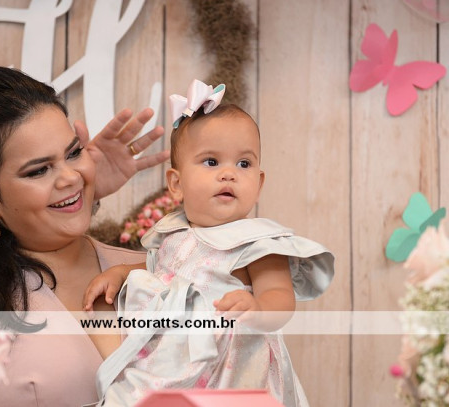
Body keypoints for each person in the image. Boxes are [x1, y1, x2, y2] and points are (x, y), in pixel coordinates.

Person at [83, 79, 335, 407]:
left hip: (230, 368)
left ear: (259, 184)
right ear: (176, 183)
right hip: (172, 359)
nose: (229, 174)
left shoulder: (257, 243)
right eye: (212, 162)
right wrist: (120, 273)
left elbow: (280, 296)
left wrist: (259, 310)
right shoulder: (173, 232)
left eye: (244, 164)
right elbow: (159, 269)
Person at [0, 66, 169, 407]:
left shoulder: (156, 268)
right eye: (39, 170)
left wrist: (78, 195)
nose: (70, 176)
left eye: (74, 153)